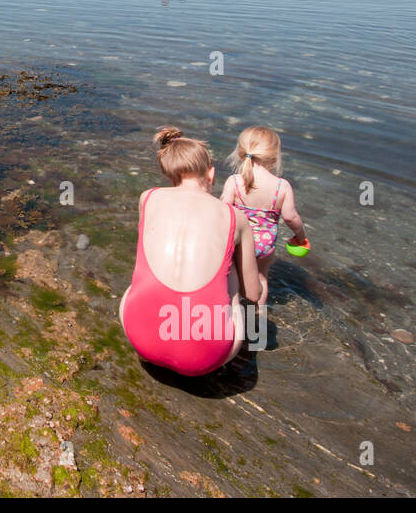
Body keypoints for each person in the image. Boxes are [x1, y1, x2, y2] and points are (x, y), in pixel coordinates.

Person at [119, 127, 261, 377]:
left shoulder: (147, 198)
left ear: (170, 175)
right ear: (211, 173)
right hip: (204, 360)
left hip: (140, 338)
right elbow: (253, 292)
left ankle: (151, 346)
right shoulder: (234, 217)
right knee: (232, 276)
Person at [220, 126, 306, 307]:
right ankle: (257, 318)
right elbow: (290, 217)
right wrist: (301, 236)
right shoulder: (281, 186)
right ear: (274, 157)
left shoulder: (234, 182)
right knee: (261, 278)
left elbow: (223, 210)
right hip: (264, 243)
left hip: (238, 241)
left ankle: (233, 313)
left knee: (232, 277)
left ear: (242, 152)